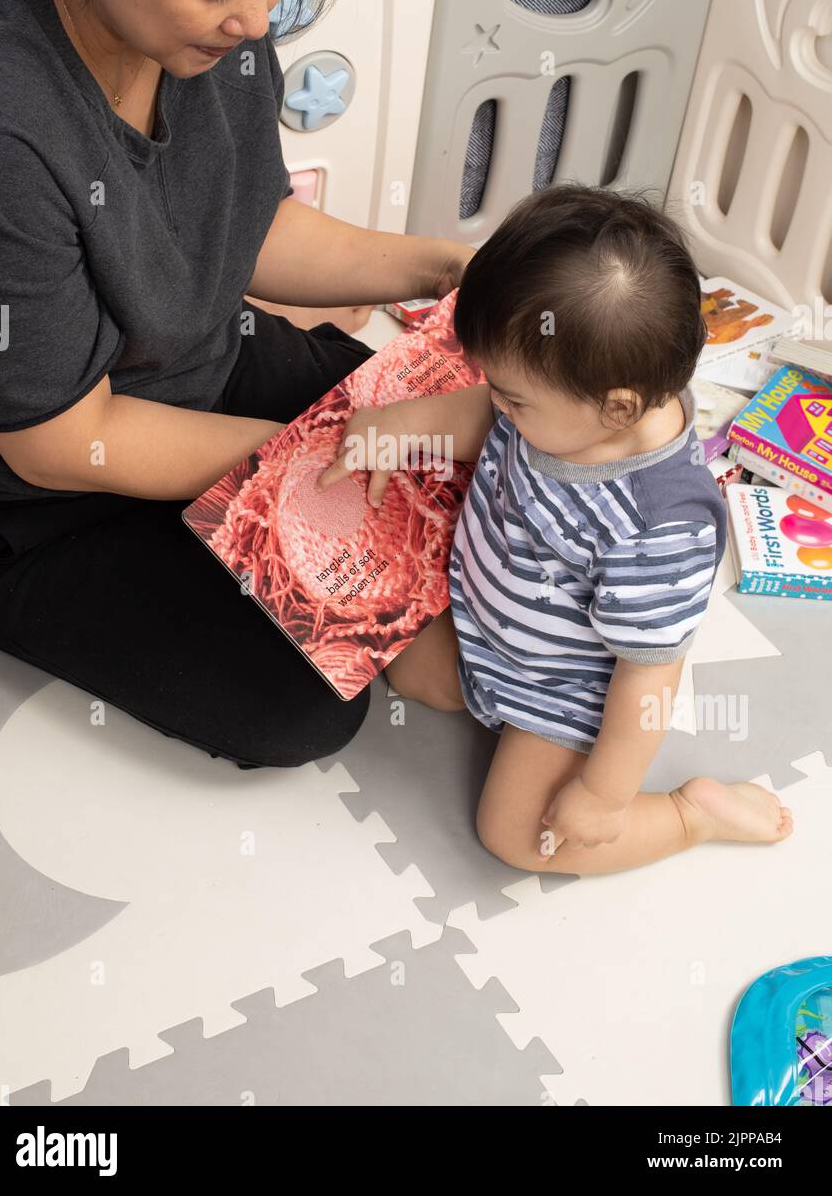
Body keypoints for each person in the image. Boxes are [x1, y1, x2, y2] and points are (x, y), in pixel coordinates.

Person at [0, 0, 472, 768]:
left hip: (199, 361)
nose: (260, 17)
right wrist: (323, 461)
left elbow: (246, 221)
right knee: (304, 700)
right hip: (35, 491)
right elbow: (69, 442)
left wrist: (443, 266)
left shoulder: (206, 21)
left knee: (465, 466)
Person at [319, 184, 795, 872]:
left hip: (566, 688)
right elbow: (483, 416)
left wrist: (604, 794)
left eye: (514, 397)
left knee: (518, 836)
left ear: (617, 410)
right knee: (410, 674)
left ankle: (692, 814)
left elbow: (647, 679)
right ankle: (480, 686)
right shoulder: (569, 396)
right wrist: (391, 430)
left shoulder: (660, 527)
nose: (500, 405)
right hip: (488, 626)